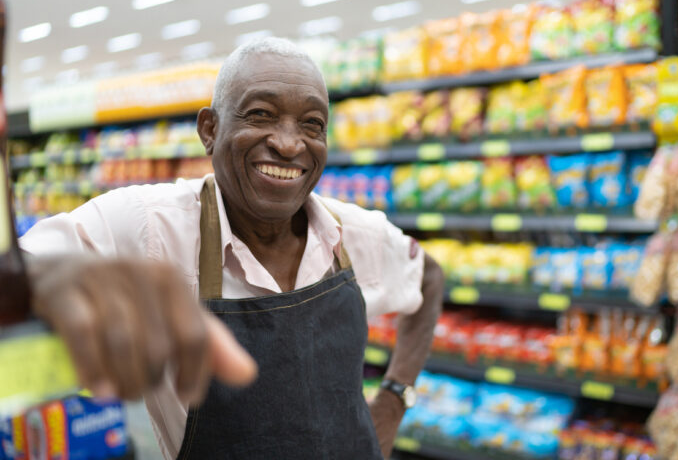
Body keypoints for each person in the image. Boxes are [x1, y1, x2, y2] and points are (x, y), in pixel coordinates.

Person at [21, 37, 444, 459]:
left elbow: (428, 274)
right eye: (261, 114)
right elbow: (22, 271)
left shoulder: (351, 232)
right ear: (210, 129)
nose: (290, 143)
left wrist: (393, 398)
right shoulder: (149, 227)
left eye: (312, 123)